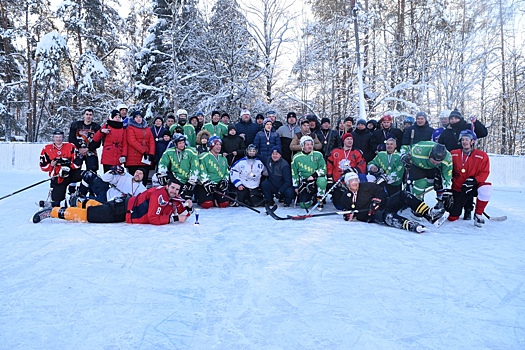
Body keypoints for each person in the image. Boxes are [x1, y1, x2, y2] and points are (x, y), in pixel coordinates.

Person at [339, 172, 445, 233]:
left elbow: (381, 193)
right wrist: (349, 215)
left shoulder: (367, 186)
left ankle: (429, 214)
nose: (355, 183)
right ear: (348, 184)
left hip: (385, 204)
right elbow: (347, 211)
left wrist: (377, 201)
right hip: (374, 215)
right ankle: (410, 225)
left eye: (356, 180)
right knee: (388, 216)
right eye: (352, 181)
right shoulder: (345, 197)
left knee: (404, 194)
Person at [449, 130, 492, 226]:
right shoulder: (453, 153)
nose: (464, 142)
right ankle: (462, 207)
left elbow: (485, 172)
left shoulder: (482, 155)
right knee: (453, 217)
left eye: (467, 139)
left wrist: (475, 180)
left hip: (473, 186)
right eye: (463, 139)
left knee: (486, 188)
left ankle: (478, 214)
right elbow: (447, 169)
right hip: (458, 187)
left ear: (472, 141)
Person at [401, 141, 453, 212]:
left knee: (439, 181)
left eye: (438, 161)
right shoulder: (418, 150)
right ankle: (417, 204)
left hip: (433, 169)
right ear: (430, 154)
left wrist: (447, 191)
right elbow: (404, 147)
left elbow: (447, 176)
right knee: (421, 183)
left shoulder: (447, 158)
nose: (435, 162)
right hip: (418, 166)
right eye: (434, 160)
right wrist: (404, 155)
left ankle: (441, 202)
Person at [39, 129, 83, 207]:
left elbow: (78, 162)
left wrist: (69, 165)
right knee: (57, 203)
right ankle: (55, 202)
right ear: (53, 138)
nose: (58, 139)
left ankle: (81, 195)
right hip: (57, 177)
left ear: (63, 137)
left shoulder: (70, 146)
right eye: (56, 137)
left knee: (88, 175)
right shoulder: (47, 148)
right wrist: (51, 165)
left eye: (60, 137)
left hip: (70, 173)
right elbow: (43, 166)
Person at [126, 178, 193, 225]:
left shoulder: (174, 197)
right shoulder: (160, 195)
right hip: (125, 210)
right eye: (172, 187)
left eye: (177, 189)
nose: (174, 191)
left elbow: (182, 216)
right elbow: (153, 219)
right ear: (167, 186)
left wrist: (189, 208)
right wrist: (175, 218)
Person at [327, 133, 367, 209]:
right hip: (338, 181)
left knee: (363, 177)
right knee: (339, 206)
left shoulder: (356, 152)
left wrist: (352, 170)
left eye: (351, 139)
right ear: (343, 141)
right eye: (347, 139)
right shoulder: (335, 152)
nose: (350, 141)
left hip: (352, 181)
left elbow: (362, 164)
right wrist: (329, 178)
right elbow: (330, 165)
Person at [71, 166, 147, 206]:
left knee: (85, 200)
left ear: (143, 177)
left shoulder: (143, 190)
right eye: (136, 172)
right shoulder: (126, 176)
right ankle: (80, 194)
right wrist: (113, 171)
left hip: (109, 203)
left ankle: (78, 200)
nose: (137, 174)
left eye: (140, 174)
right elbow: (105, 178)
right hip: (106, 192)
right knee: (89, 175)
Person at [157, 133, 200, 200]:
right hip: (175, 178)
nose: (182, 145)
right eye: (180, 143)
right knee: (169, 195)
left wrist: (192, 180)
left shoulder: (191, 152)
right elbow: (163, 163)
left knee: (185, 199)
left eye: (183, 142)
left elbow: (195, 167)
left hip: (187, 180)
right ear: (175, 143)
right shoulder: (169, 152)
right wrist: (162, 173)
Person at [68, 108, 101, 193]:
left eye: (90, 115)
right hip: (78, 150)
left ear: (93, 116)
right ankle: (72, 189)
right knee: (74, 168)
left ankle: (91, 189)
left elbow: (97, 141)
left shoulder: (96, 127)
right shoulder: (76, 125)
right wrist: (79, 148)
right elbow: (71, 138)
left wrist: (88, 148)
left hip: (91, 151)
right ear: (83, 115)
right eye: (87, 114)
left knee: (92, 170)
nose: (88, 116)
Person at [291, 136, 327, 209]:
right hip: (305, 182)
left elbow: (323, 169)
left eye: (311, 144)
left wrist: (314, 175)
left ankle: (320, 199)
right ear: (302, 146)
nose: (310, 146)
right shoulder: (296, 158)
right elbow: (294, 173)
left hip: (316, 179)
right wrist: (296, 186)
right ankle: (313, 199)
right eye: (307, 144)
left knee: (322, 180)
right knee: (304, 205)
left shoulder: (318, 155)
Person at [196, 136, 230, 209]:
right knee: (207, 204)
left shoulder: (223, 158)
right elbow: (202, 171)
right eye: (216, 144)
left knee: (224, 203)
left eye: (220, 144)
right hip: (207, 185)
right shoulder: (204, 157)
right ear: (211, 145)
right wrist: (206, 183)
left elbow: (226, 171)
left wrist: (225, 180)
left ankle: (216, 198)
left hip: (218, 185)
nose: (219, 146)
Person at [122, 111, 155, 186]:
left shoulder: (147, 128)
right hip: (134, 158)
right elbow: (132, 141)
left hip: (145, 159)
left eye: (140, 117)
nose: (139, 119)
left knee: (144, 179)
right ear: (133, 119)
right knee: (134, 180)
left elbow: (151, 141)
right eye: (136, 117)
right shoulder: (130, 128)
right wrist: (143, 151)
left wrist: (151, 153)